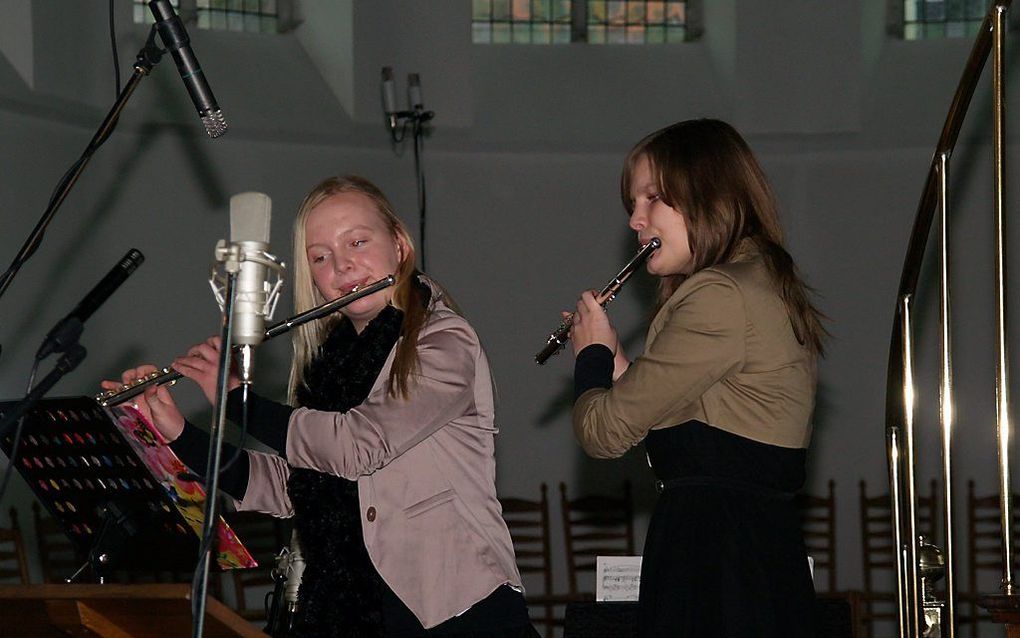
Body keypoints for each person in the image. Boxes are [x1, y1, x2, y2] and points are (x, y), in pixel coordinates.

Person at [103, 176, 536, 637]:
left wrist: (237, 398)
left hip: (455, 610)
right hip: (350, 608)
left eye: (358, 241)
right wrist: (178, 435)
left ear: (400, 245)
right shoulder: (327, 367)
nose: (343, 265)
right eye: (320, 257)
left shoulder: (444, 341)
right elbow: (292, 488)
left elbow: (357, 445)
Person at [568, 119, 824, 637]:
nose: (635, 221)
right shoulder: (754, 281)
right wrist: (619, 360)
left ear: (707, 193)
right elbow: (693, 433)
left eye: (652, 199)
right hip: (745, 545)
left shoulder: (719, 294)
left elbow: (601, 433)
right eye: (632, 205)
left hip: (717, 556)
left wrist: (590, 358)